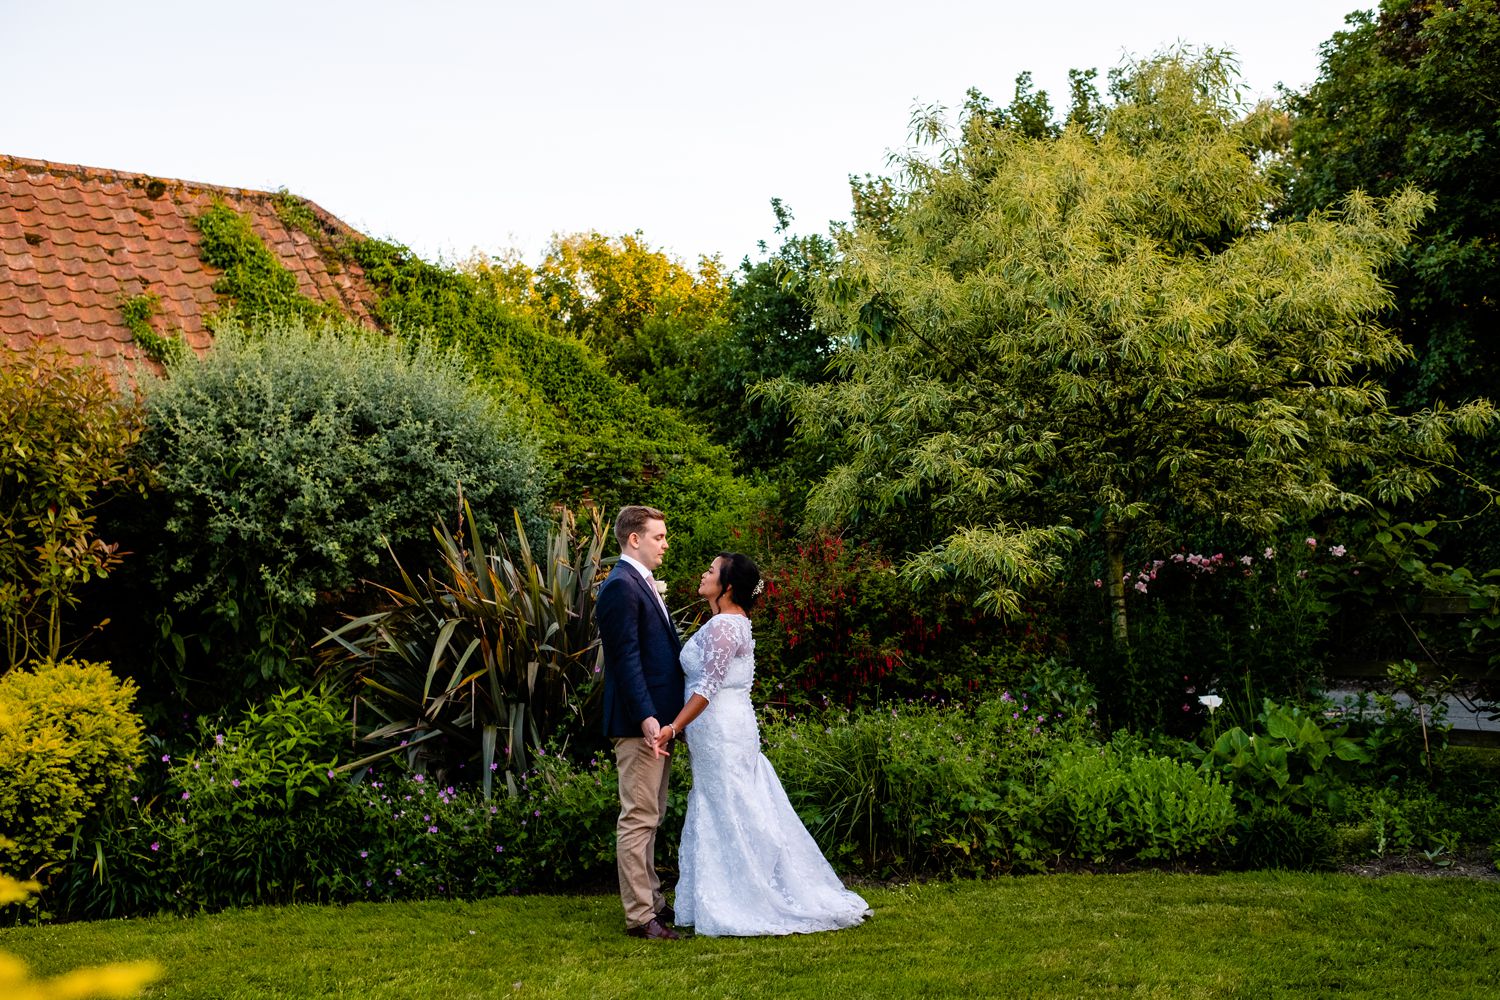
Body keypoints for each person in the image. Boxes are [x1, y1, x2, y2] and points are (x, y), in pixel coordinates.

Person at [653, 552, 871, 937]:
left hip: (721, 728)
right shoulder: (732, 623)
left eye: (711, 570)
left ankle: (744, 896)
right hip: (723, 727)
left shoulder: (723, 627)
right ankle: (727, 891)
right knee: (731, 801)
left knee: (731, 804)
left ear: (728, 586)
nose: (703, 573)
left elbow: (707, 687)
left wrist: (673, 727)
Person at [596, 505, 685, 940]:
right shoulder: (620, 586)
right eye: (659, 537)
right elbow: (625, 658)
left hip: (657, 724)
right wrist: (648, 718)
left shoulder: (640, 583)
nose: (665, 544)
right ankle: (639, 917)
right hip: (639, 726)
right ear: (635, 539)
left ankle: (652, 901)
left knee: (652, 813)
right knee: (638, 817)